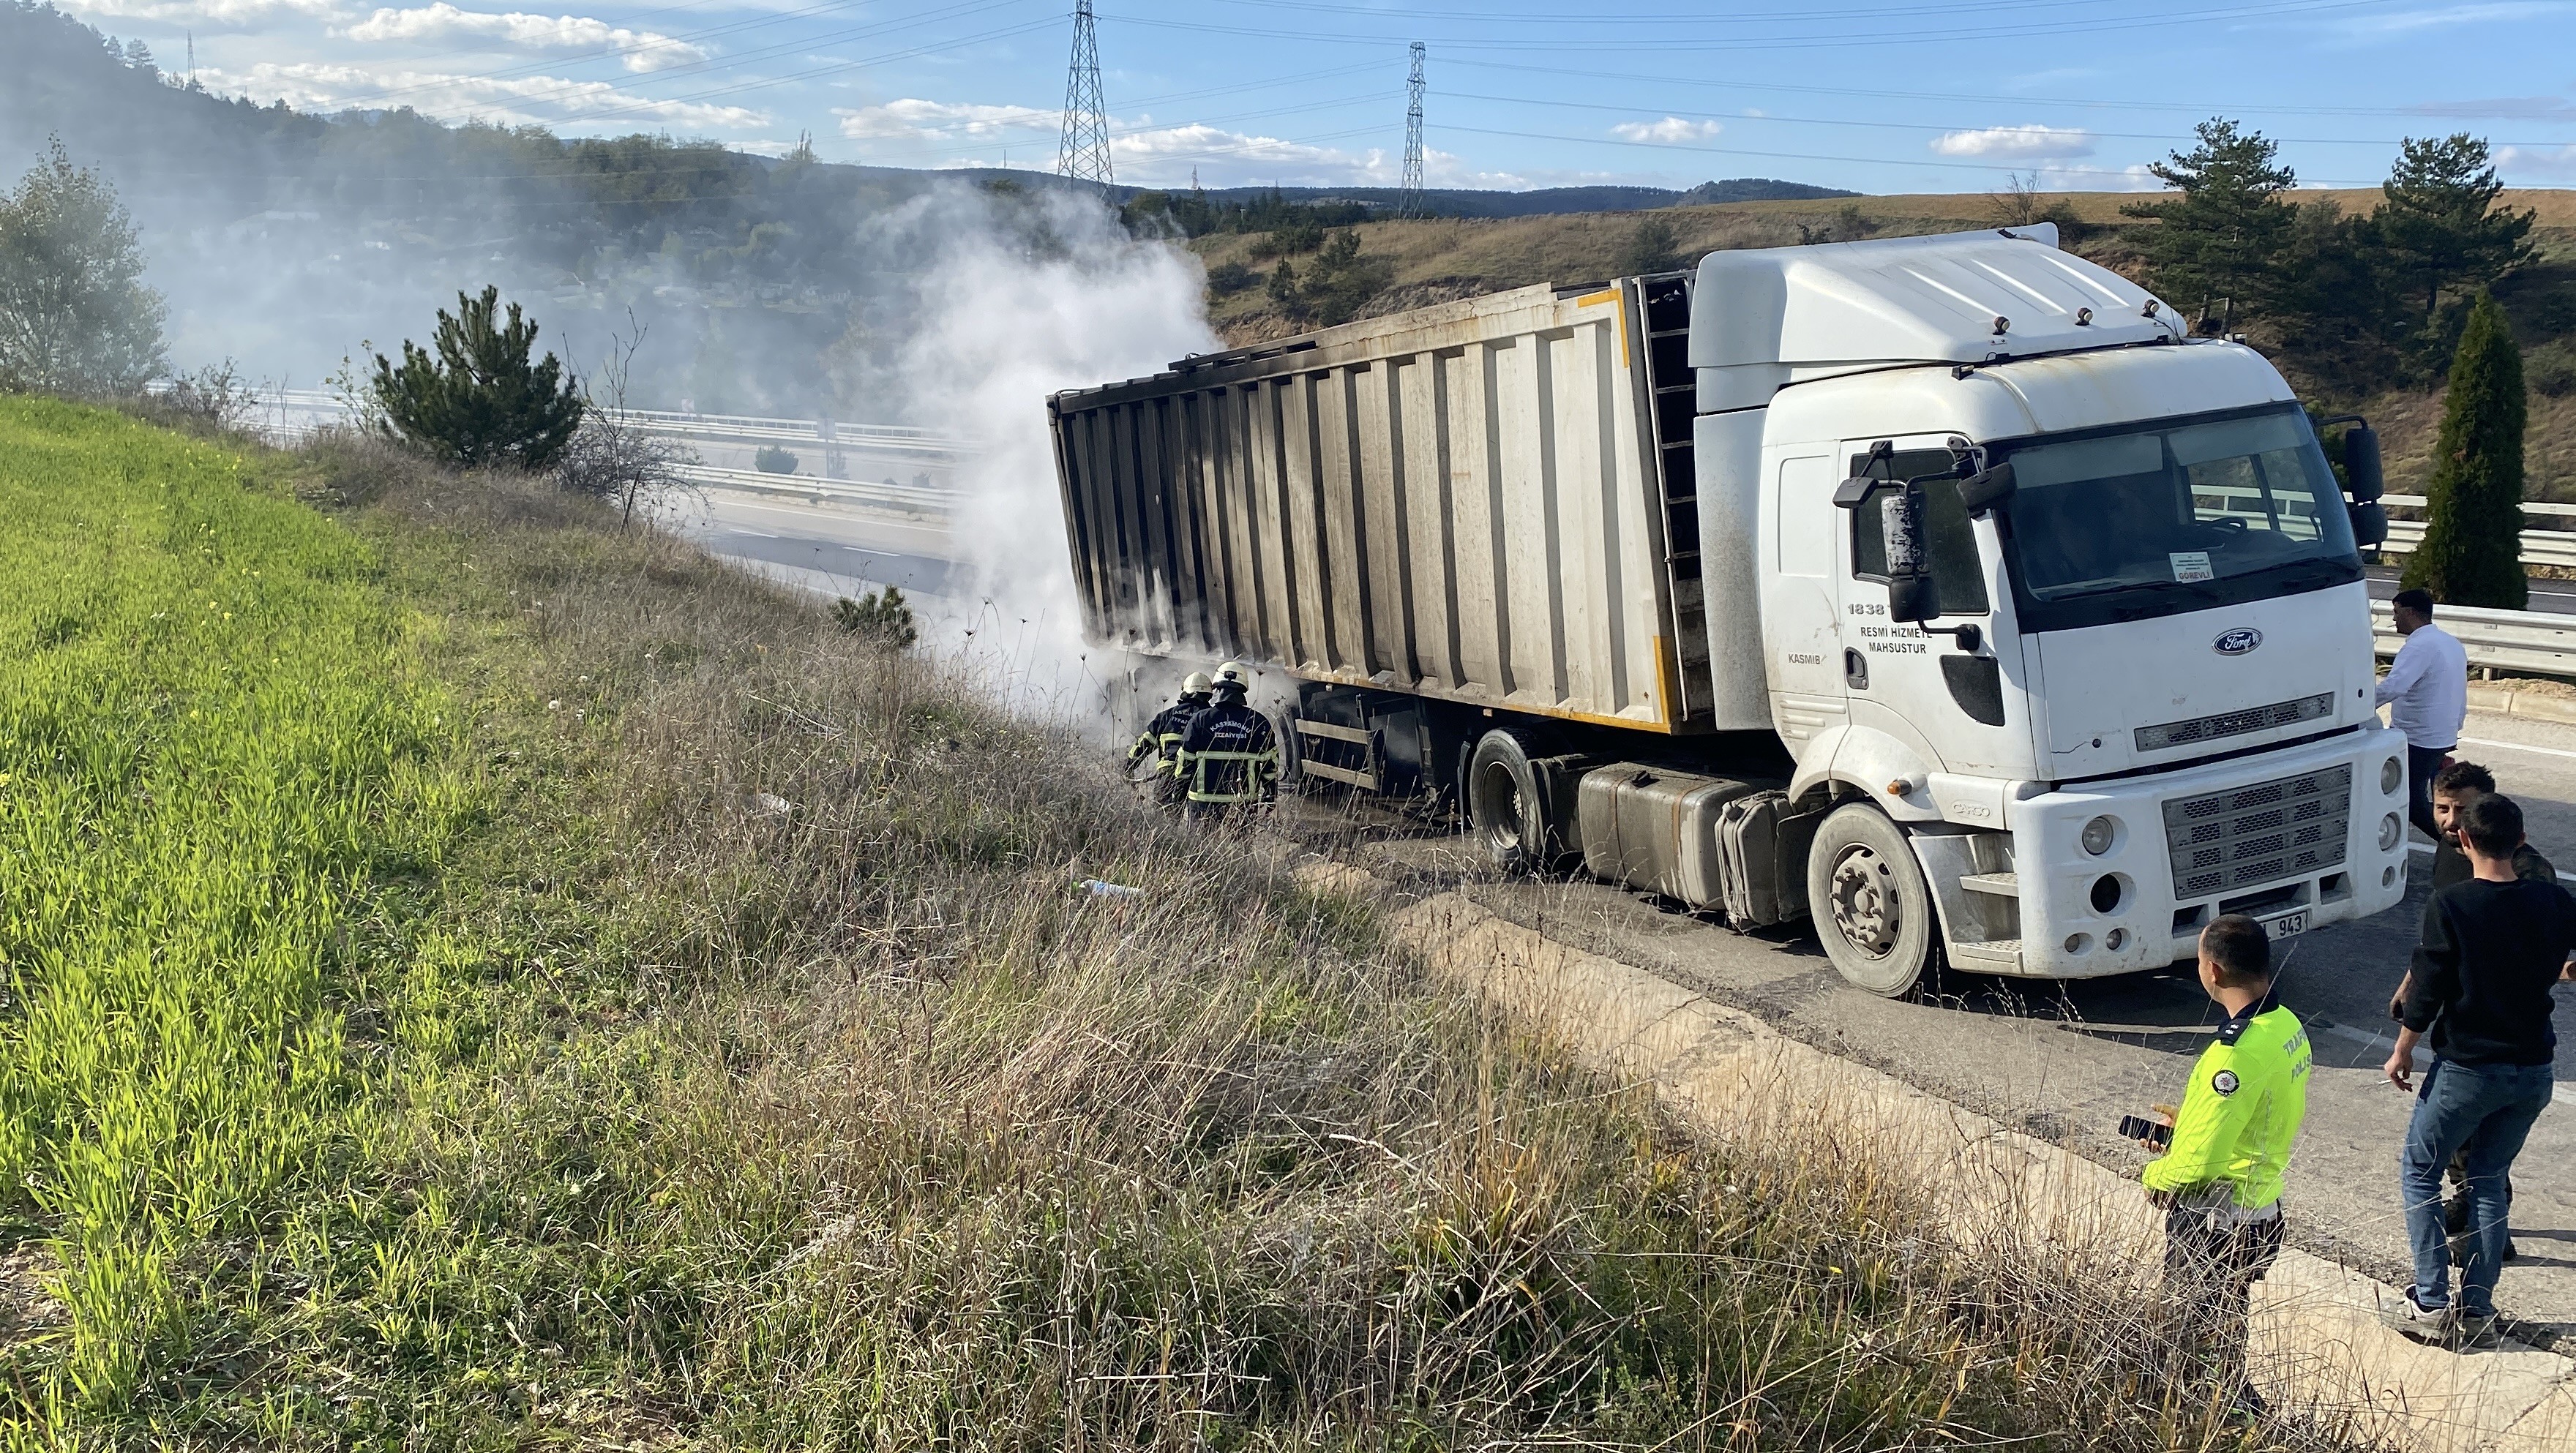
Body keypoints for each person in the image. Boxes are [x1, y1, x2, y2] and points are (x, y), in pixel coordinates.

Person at [2384, 794, 2576, 1344]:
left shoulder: (2454, 904)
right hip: (2533, 1068)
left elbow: (2427, 989)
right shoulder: (2553, 901)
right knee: (2489, 1178)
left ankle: (2429, 1300)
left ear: (2464, 840)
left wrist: (2402, 1050)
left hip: (2469, 1068)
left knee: (2420, 1170)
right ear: (2521, 840)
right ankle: (2477, 1311)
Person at [2136, 915, 2310, 1409]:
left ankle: (2211, 1416)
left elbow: (2199, 1164)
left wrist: (2157, 1173)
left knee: (2189, 1336)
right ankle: (2227, 1403)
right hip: (2261, 1209)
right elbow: (2260, 1110)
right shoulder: (2286, 1025)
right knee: (2225, 1318)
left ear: (2212, 970)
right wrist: (2189, 1123)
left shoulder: (2231, 1057)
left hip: (2215, 1220)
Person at [2376, 588, 2468, 843]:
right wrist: (2455, 728)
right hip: (2442, 734)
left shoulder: (2419, 646)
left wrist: (2359, 706)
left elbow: (2395, 686)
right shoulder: (2451, 643)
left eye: (2396, 612)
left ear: (2410, 612)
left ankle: (2460, 848)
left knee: (2410, 799)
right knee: (2440, 799)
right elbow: (2461, 690)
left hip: (2417, 738)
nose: (2394, 619)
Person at [1175, 672, 1278, 820]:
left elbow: (1185, 763)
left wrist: (1178, 793)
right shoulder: (1258, 722)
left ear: (1216, 690)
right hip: (1242, 803)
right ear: (1243, 690)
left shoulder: (1200, 720)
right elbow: (1270, 767)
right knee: (1240, 843)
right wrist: (1270, 798)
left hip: (1203, 804)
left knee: (1201, 843)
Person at [1127, 672, 1213, 800]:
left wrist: (1129, 765)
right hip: (1199, 778)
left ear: (1186, 692)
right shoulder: (1211, 718)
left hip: (1167, 777)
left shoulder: (1167, 716)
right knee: (1198, 817)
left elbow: (1145, 743)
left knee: (1165, 816)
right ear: (1208, 695)